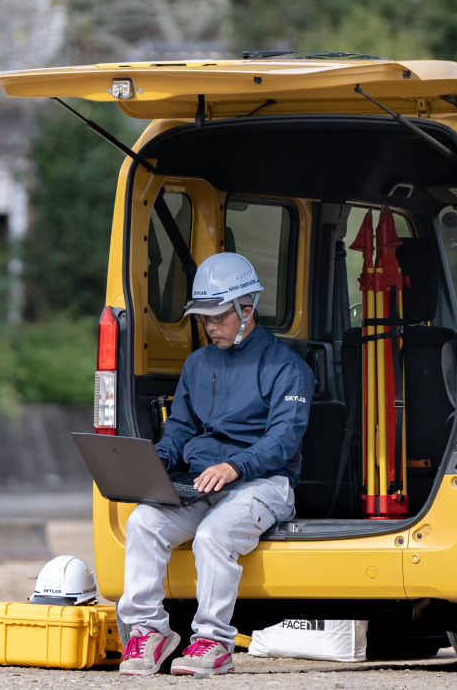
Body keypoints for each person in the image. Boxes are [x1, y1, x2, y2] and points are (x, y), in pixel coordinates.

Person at [117, 252, 313, 677]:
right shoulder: (197, 363)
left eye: (219, 317)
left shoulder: (287, 368)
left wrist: (235, 466)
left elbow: (283, 440)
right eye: (203, 318)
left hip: (263, 483)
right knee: (143, 523)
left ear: (247, 309)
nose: (210, 327)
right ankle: (148, 631)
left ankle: (213, 640)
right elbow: (180, 430)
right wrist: (153, 461)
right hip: (202, 483)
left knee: (212, 536)